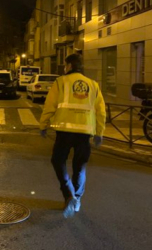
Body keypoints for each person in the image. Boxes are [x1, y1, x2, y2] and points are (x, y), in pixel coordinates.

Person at [39, 53, 106, 218]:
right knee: (80, 166)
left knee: (57, 161)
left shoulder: (60, 82)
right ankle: (76, 198)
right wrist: (99, 133)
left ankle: (69, 193)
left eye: (65, 65)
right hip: (85, 133)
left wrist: (43, 124)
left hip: (64, 131)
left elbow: (50, 105)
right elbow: (101, 112)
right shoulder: (93, 85)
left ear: (68, 66)